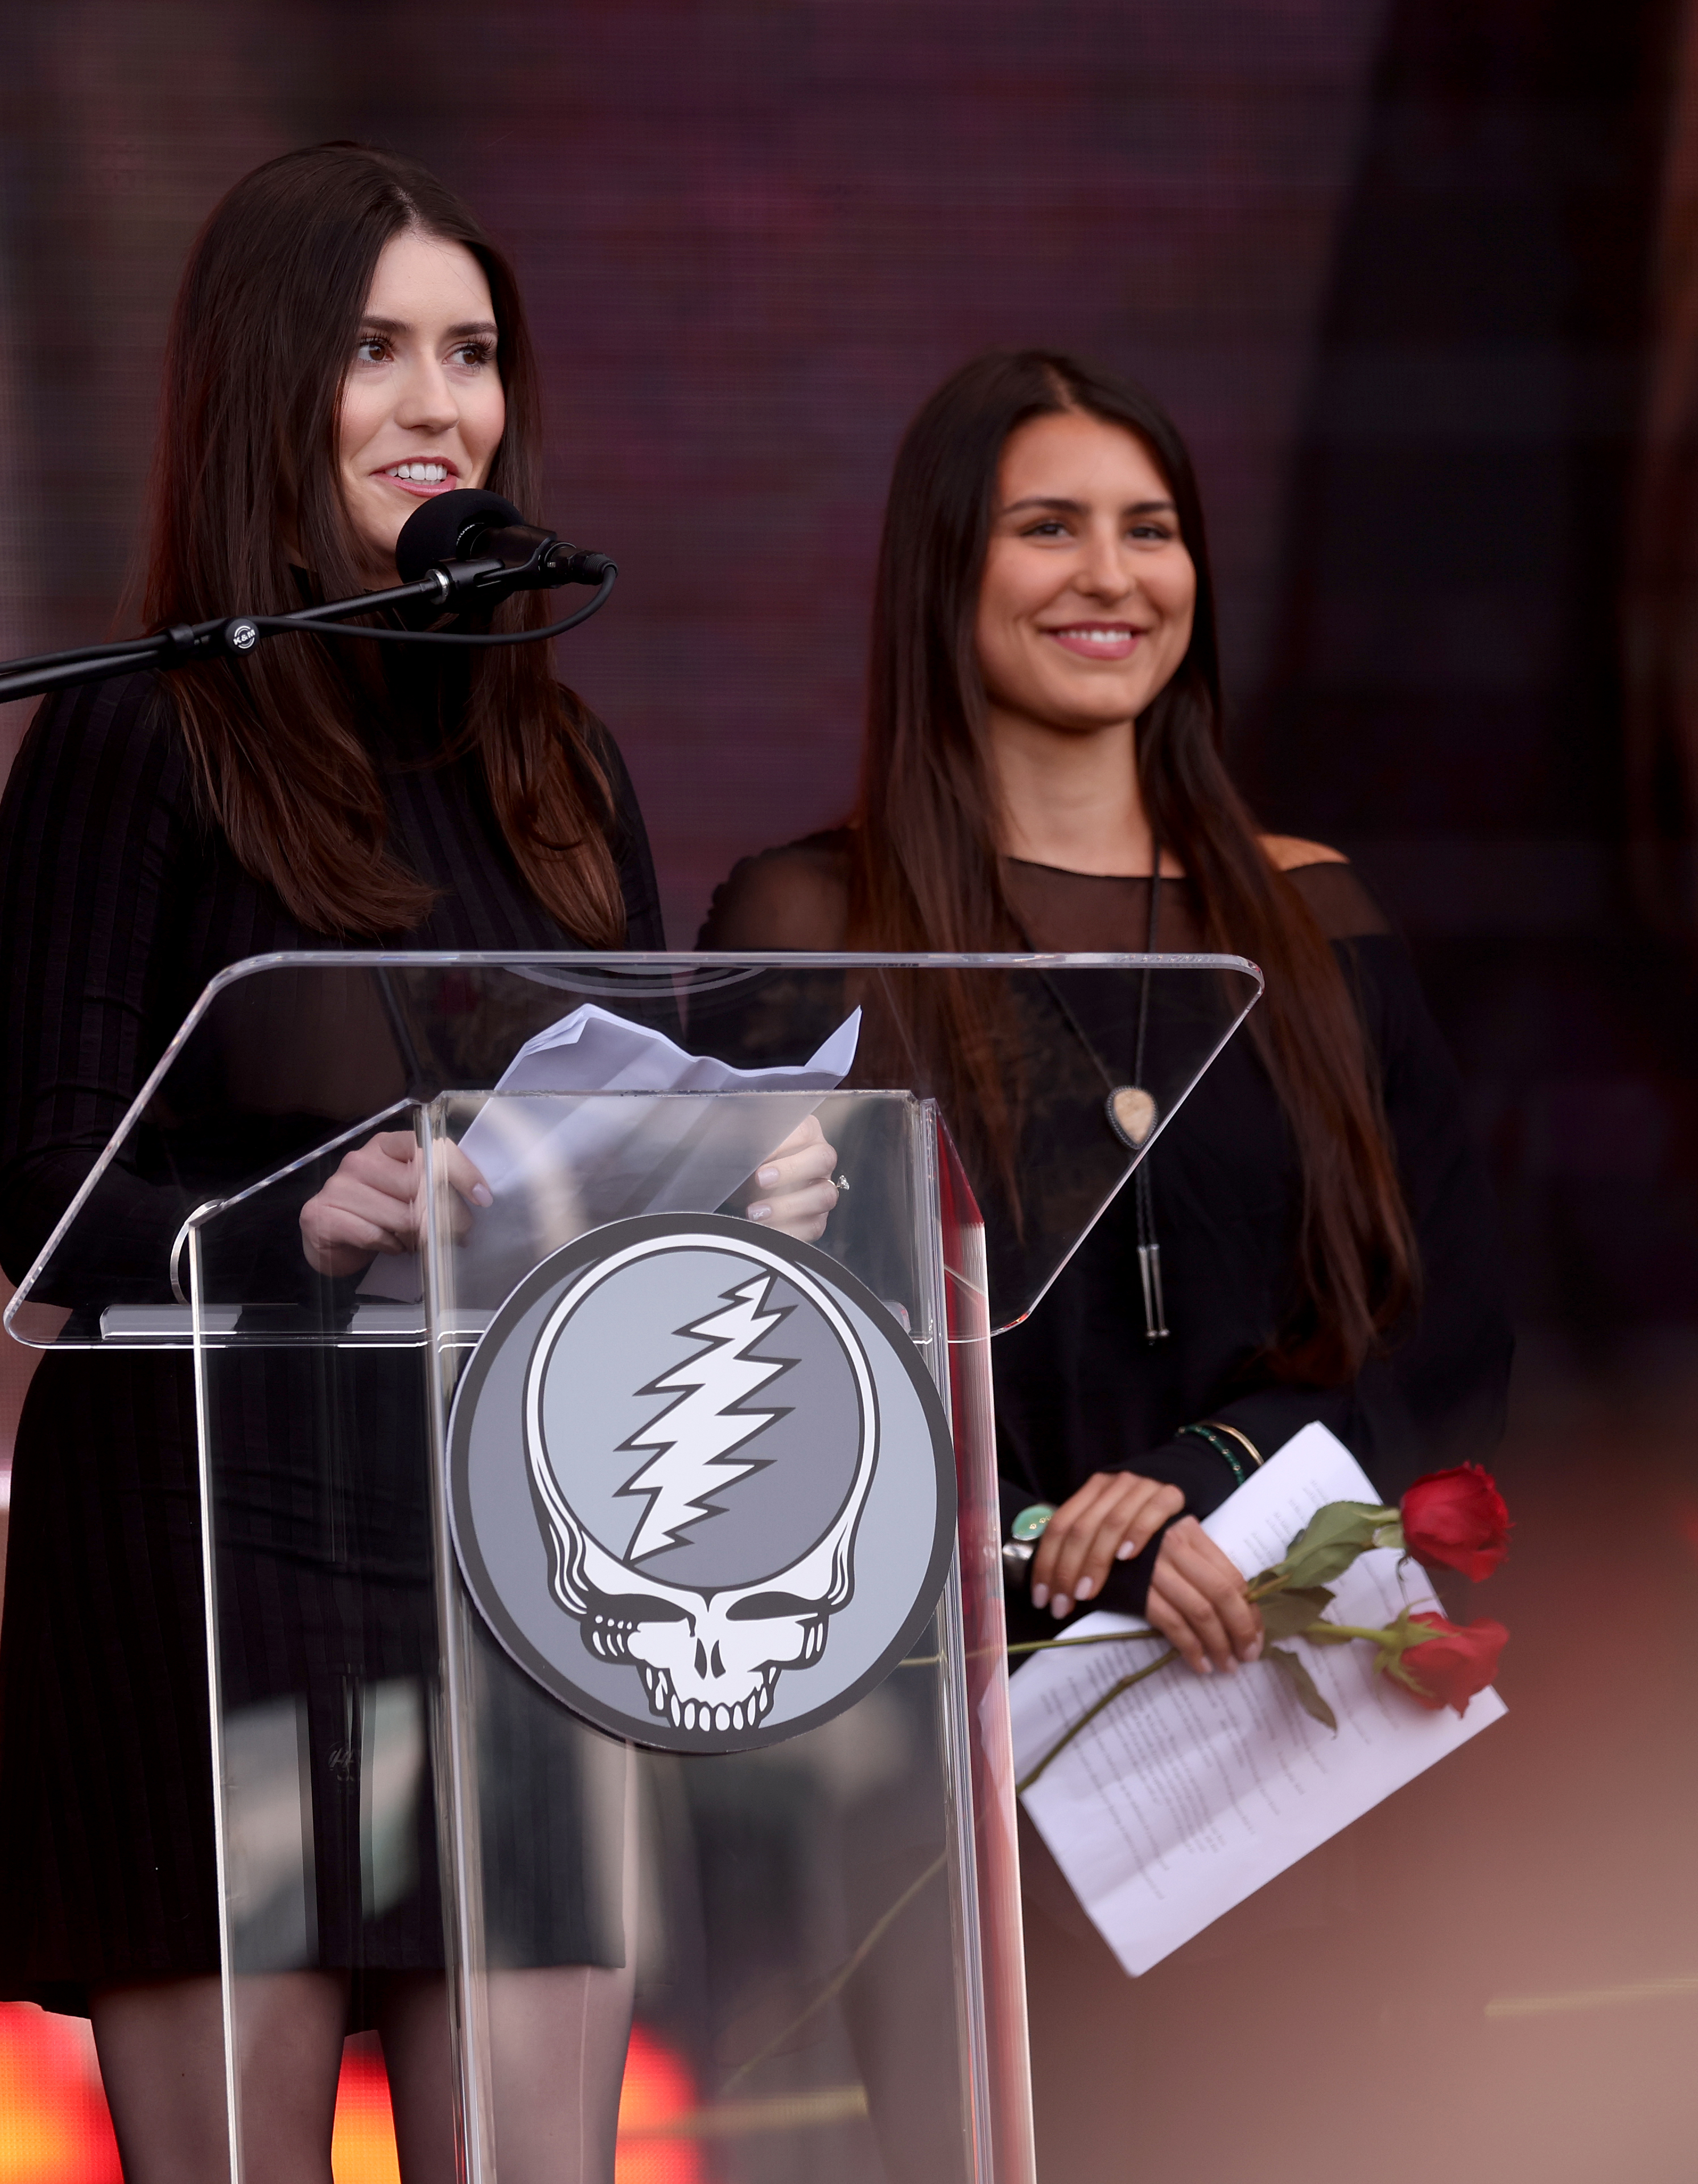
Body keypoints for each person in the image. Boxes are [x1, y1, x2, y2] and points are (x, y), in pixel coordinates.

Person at [0, 143, 836, 2184]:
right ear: (267, 388)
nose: (439, 402)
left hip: (505, 1550)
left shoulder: (558, 761)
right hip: (212, 1555)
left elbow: (604, 1113)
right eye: (374, 351)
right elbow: (49, 1204)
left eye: (470, 352)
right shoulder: (139, 736)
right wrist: (294, 1215)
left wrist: (730, 1174)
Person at [700, 349, 1509, 2179]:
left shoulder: (1311, 915)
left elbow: (1450, 1318)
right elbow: (746, 1372)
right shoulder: (808, 921)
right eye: (1046, 529)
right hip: (945, 1779)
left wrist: (1213, 1490)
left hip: (1284, 1738)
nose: (1111, 576)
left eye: (1150, 531)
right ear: (941, 576)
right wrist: (1049, 1527)